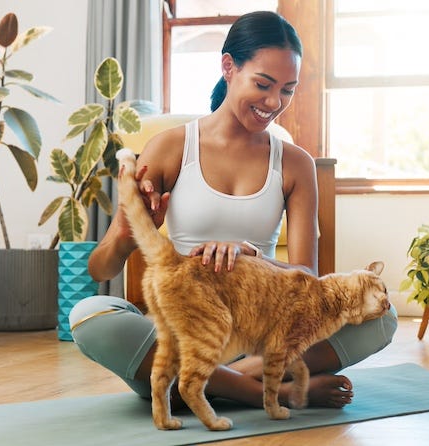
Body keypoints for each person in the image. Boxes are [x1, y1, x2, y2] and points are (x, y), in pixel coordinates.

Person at [68, 10, 398, 410]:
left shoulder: (294, 164)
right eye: (263, 84)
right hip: (191, 327)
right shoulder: (171, 148)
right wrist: (124, 232)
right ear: (228, 66)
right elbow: (100, 270)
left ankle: (192, 384)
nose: (274, 102)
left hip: (263, 338)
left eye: (288, 90)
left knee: (382, 318)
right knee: (91, 314)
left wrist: (252, 255)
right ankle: (267, 391)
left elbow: (307, 277)